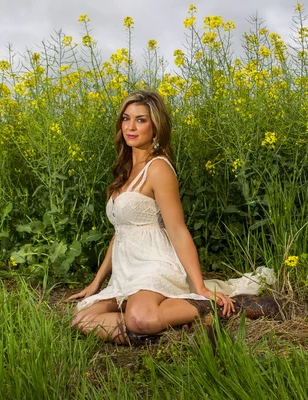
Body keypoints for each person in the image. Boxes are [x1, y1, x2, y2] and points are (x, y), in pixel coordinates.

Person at [69, 91, 276, 345]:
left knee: (139, 317)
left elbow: (177, 230)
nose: (130, 127)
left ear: (156, 128)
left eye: (141, 120)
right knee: (81, 320)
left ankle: (226, 306)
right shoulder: (125, 171)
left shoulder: (158, 168)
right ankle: (165, 333)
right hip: (127, 271)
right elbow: (121, 232)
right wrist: (96, 282)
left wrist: (200, 287)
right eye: (126, 118)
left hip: (154, 263)